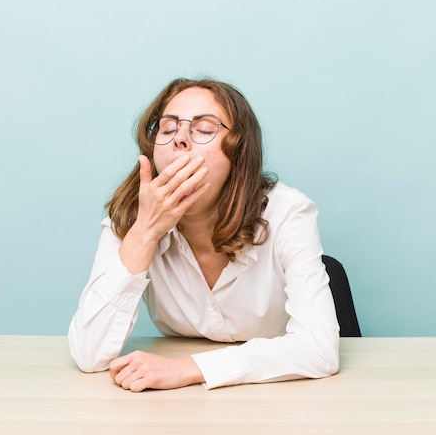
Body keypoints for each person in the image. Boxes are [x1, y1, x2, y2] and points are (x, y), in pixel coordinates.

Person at [68, 77, 339, 391]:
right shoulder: (133, 216)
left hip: (280, 395)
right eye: (168, 129)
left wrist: (190, 368)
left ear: (237, 151)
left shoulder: (288, 213)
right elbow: (89, 354)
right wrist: (145, 232)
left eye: (205, 129)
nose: (179, 139)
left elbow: (319, 349)